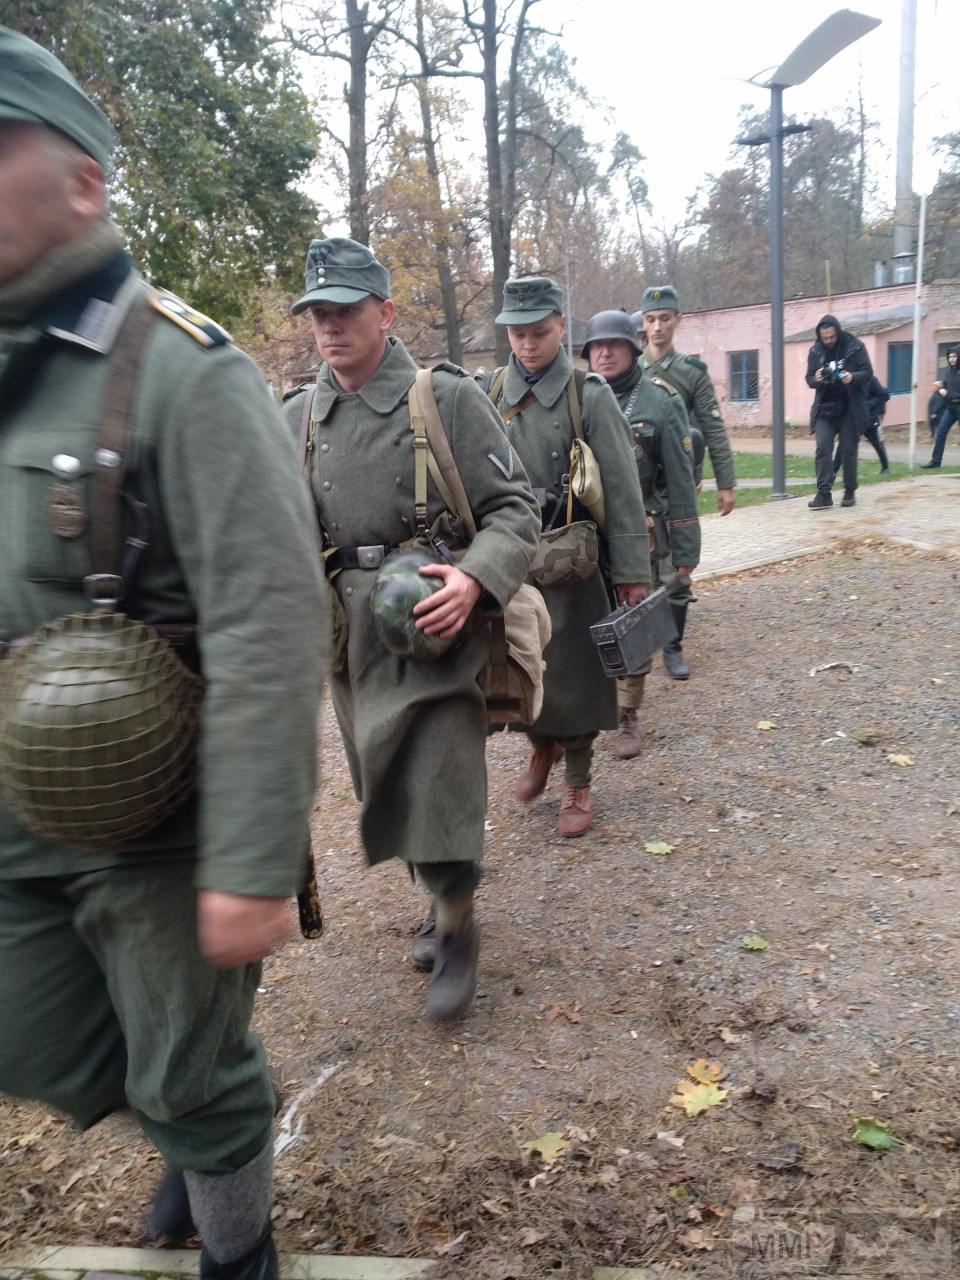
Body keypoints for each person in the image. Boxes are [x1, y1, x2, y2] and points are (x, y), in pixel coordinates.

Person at [0, 27, 327, 1279]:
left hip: (157, 815)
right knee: (32, 1031)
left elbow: (272, 617)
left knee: (190, 1066)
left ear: (83, 180)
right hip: (21, 805)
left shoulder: (186, 372)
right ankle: (189, 1125)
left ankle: (236, 1246)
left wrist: (249, 860)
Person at [284, 238, 539, 1022]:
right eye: (318, 313)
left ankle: (458, 925)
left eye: (346, 311)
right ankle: (436, 896)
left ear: (386, 313)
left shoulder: (447, 399)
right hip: (349, 640)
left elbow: (516, 511)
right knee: (386, 782)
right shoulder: (296, 416)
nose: (330, 326)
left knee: (440, 777)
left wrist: (474, 578)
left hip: (435, 623)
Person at [483, 277, 652, 836]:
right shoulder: (488, 394)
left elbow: (624, 489)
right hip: (511, 561)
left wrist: (631, 573)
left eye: (539, 332)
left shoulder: (589, 394)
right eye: (518, 334)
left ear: (561, 326)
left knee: (575, 675)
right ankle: (541, 748)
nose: (528, 345)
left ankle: (577, 778)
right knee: (520, 670)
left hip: (572, 562)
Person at [582, 310, 700, 759]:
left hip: (644, 529)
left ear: (633, 348)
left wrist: (685, 547)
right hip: (585, 533)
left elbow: (679, 480)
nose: (605, 352)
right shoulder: (576, 397)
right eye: (597, 346)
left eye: (614, 344)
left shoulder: (660, 401)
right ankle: (588, 708)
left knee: (634, 622)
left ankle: (627, 713)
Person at [637, 286, 736, 679]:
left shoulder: (692, 373)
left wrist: (724, 481)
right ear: (643, 325)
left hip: (679, 482)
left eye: (664, 318)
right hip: (642, 483)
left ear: (678, 320)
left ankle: (673, 647)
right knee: (639, 564)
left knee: (677, 565)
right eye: (650, 319)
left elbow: (712, 427)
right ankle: (639, 638)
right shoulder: (632, 370)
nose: (657, 327)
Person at [805, 313, 873, 509]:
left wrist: (852, 377)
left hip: (850, 407)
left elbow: (868, 372)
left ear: (838, 331)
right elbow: (809, 378)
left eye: (832, 336)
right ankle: (824, 493)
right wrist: (816, 378)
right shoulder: (815, 351)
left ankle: (849, 490)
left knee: (848, 450)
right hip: (825, 408)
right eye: (824, 337)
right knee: (823, 447)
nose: (828, 341)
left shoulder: (854, 346)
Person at [833, 373, 890, 478]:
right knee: (843, 443)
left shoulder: (871, 379)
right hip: (852, 418)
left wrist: (867, 405)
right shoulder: (847, 378)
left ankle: (885, 467)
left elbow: (884, 395)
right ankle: (833, 471)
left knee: (876, 443)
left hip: (869, 418)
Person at [921, 345, 960, 469]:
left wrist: (946, 393)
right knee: (941, 432)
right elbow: (948, 384)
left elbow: (954, 393)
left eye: (954, 356)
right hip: (950, 409)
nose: (952, 359)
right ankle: (936, 461)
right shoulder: (949, 371)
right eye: (950, 356)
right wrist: (941, 384)